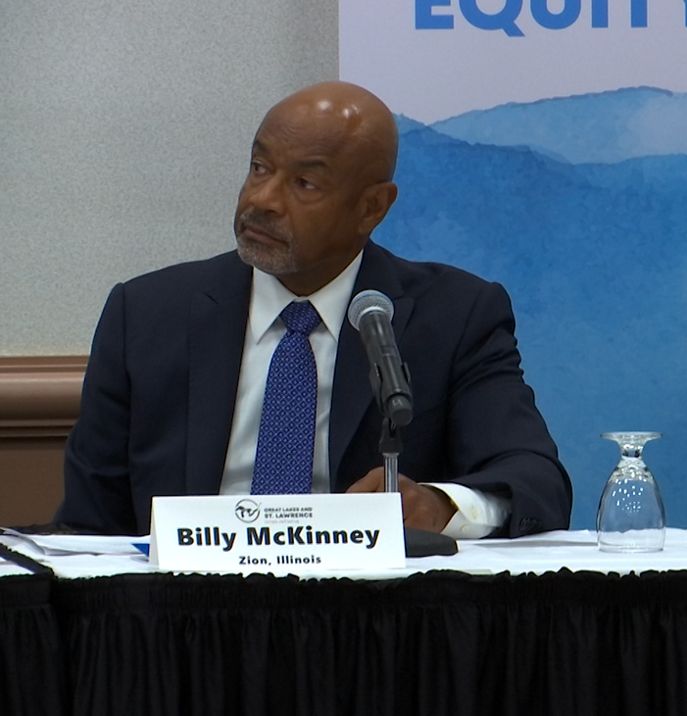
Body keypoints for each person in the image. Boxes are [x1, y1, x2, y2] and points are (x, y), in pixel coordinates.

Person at [58, 81, 571, 537]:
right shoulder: (147, 314)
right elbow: (87, 526)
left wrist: (439, 506)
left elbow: (534, 480)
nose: (262, 199)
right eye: (259, 167)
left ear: (372, 208)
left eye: (304, 183)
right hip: (182, 616)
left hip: (368, 623)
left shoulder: (455, 316)